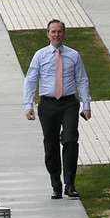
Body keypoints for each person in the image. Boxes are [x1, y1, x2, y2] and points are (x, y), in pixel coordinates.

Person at [23, 19, 92, 199]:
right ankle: (56, 183)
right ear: (48, 34)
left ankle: (70, 183)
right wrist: (28, 105)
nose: (56, 35)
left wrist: (86, 105)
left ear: (64, 33)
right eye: (53, 32)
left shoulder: (73, 55)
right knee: (50, 144)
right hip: (48, 105)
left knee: (70, 140)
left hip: (68, 103)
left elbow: (82, 80)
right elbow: (30, 80)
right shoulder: (40, 55)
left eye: (59, 31)